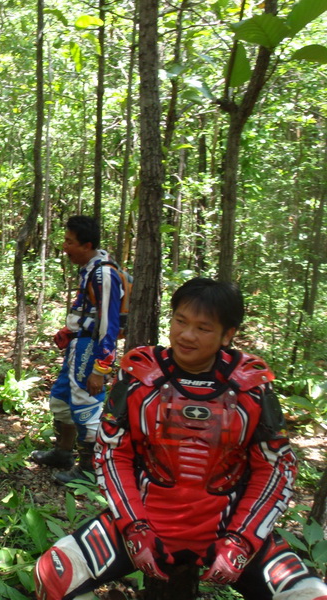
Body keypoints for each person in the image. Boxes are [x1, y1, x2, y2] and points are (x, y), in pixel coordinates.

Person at [34, 278, 327, 600]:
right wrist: (134, 527)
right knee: (53, 575)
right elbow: (112, 453)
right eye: (180, 321)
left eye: (203, 328)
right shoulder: (140, 374)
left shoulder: (250, 385)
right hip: (145, 520)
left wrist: (242, 541)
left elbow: (275, 467)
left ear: (227, 334)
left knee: (309, 596)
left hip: (227, 527)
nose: (187, 335)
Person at [30, 215, 123, 484]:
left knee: (86, 405)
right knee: (61, 400)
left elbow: (108, 324)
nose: (65, 247)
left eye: (70, 242)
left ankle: (89, 469)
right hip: (78, 344)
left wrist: (100, 369)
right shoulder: (89, 269)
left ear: (87, 245)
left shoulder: (103, 274)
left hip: (91, 348)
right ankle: (63, 453)